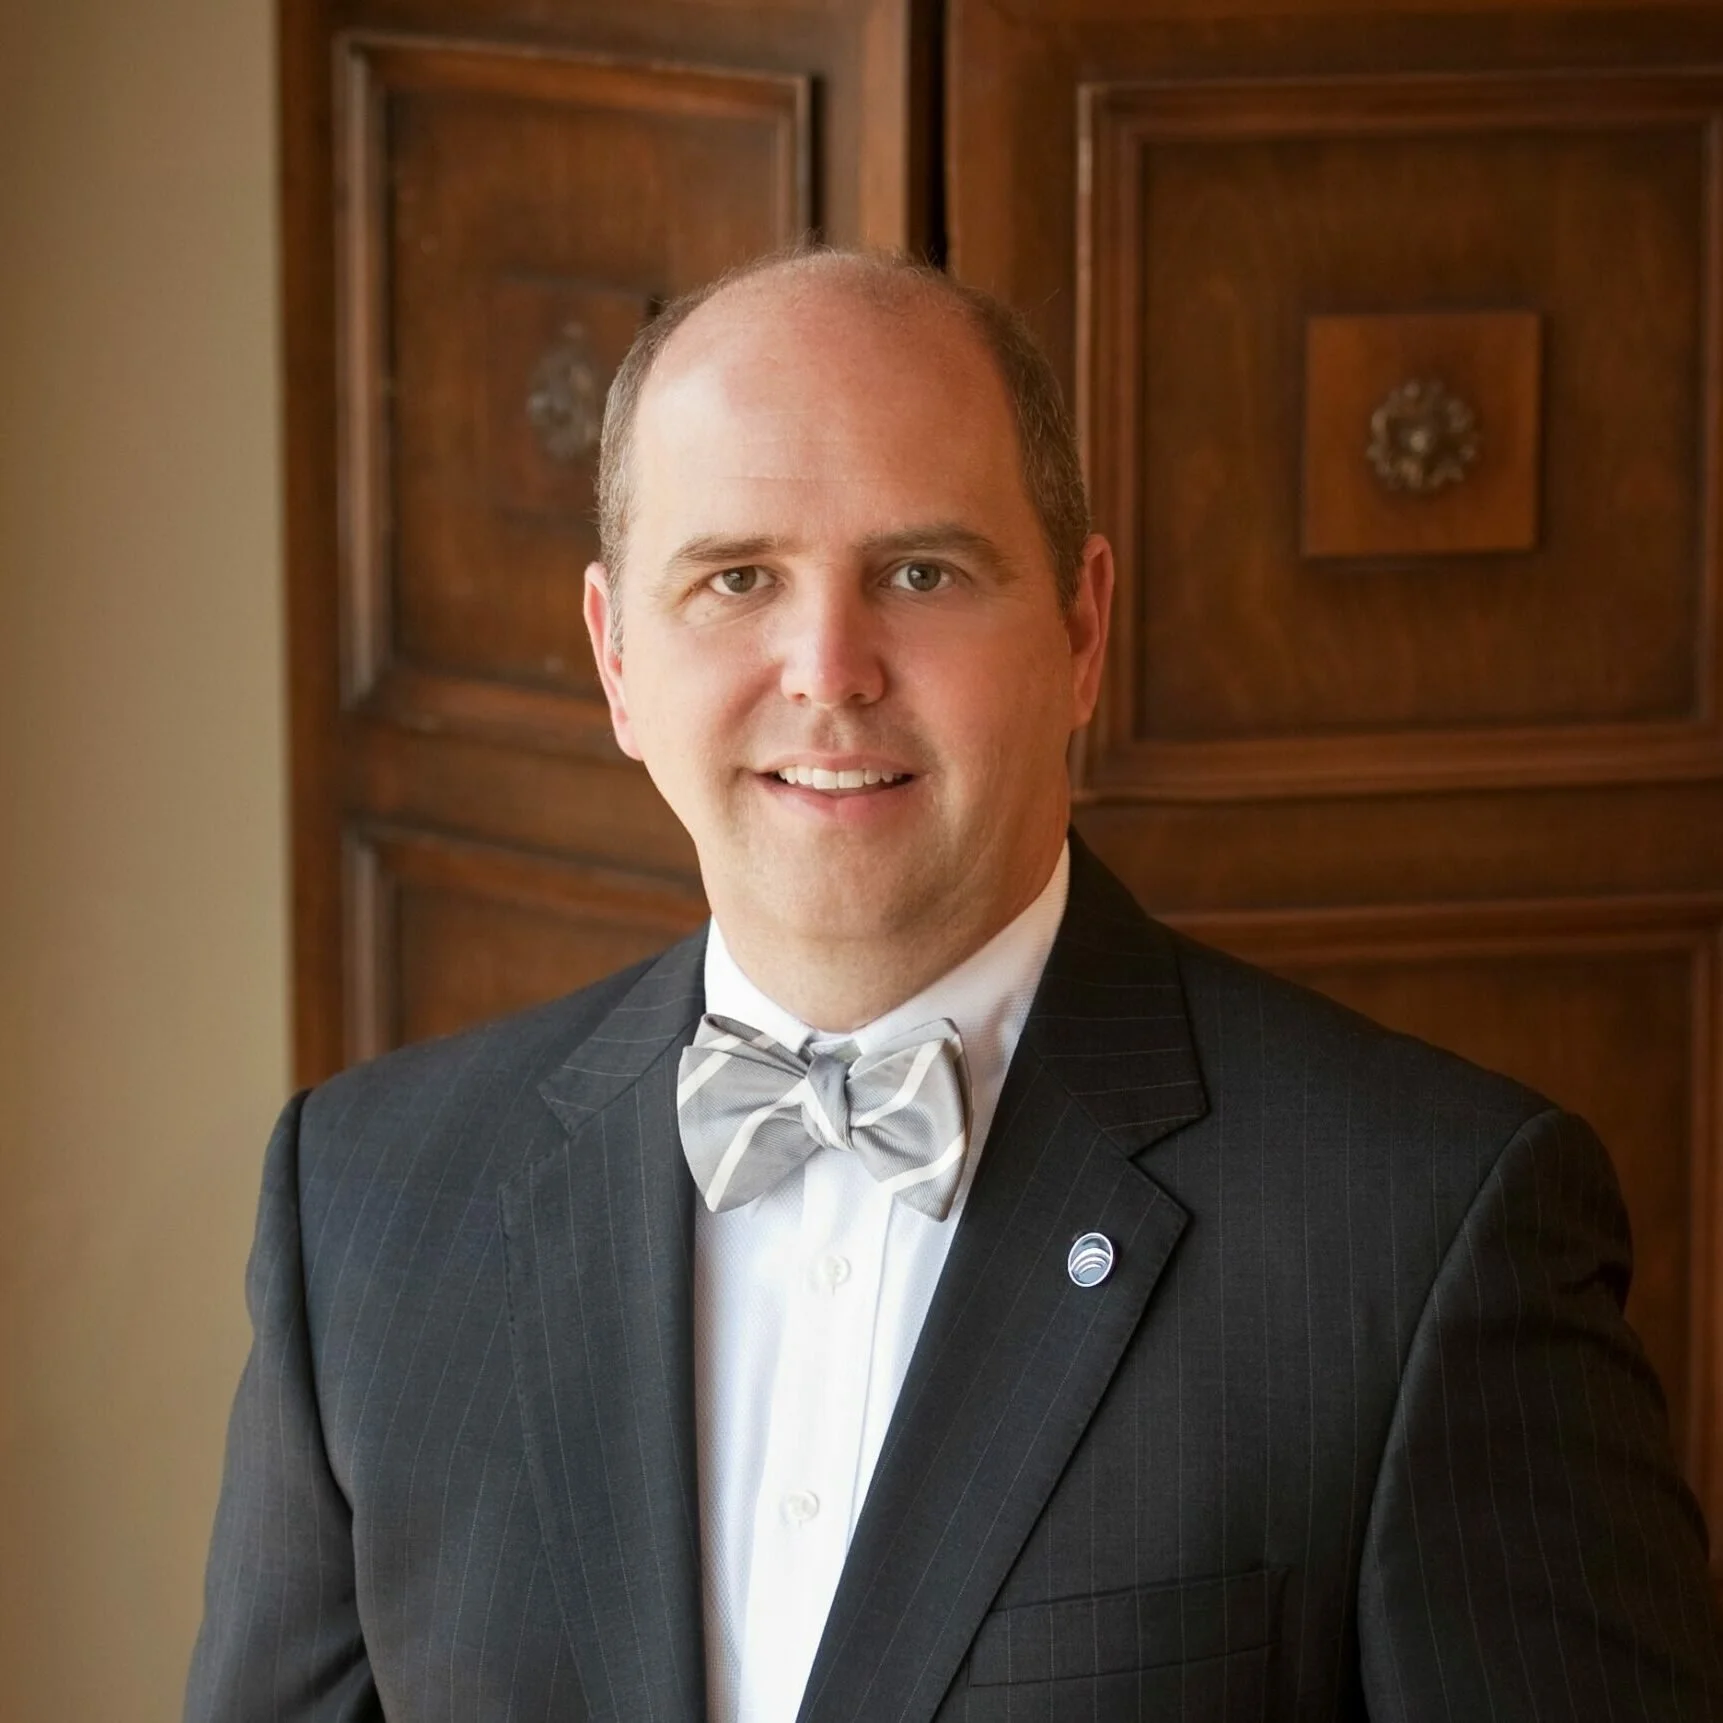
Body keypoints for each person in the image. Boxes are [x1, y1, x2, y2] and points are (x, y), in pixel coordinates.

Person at [186, 247, 1723, 1722]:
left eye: (920, 569)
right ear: (614, 660)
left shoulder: (1425, 1230)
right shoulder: (368, 1209)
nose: (830, 666)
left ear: (1079, 629)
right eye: (733, 579)